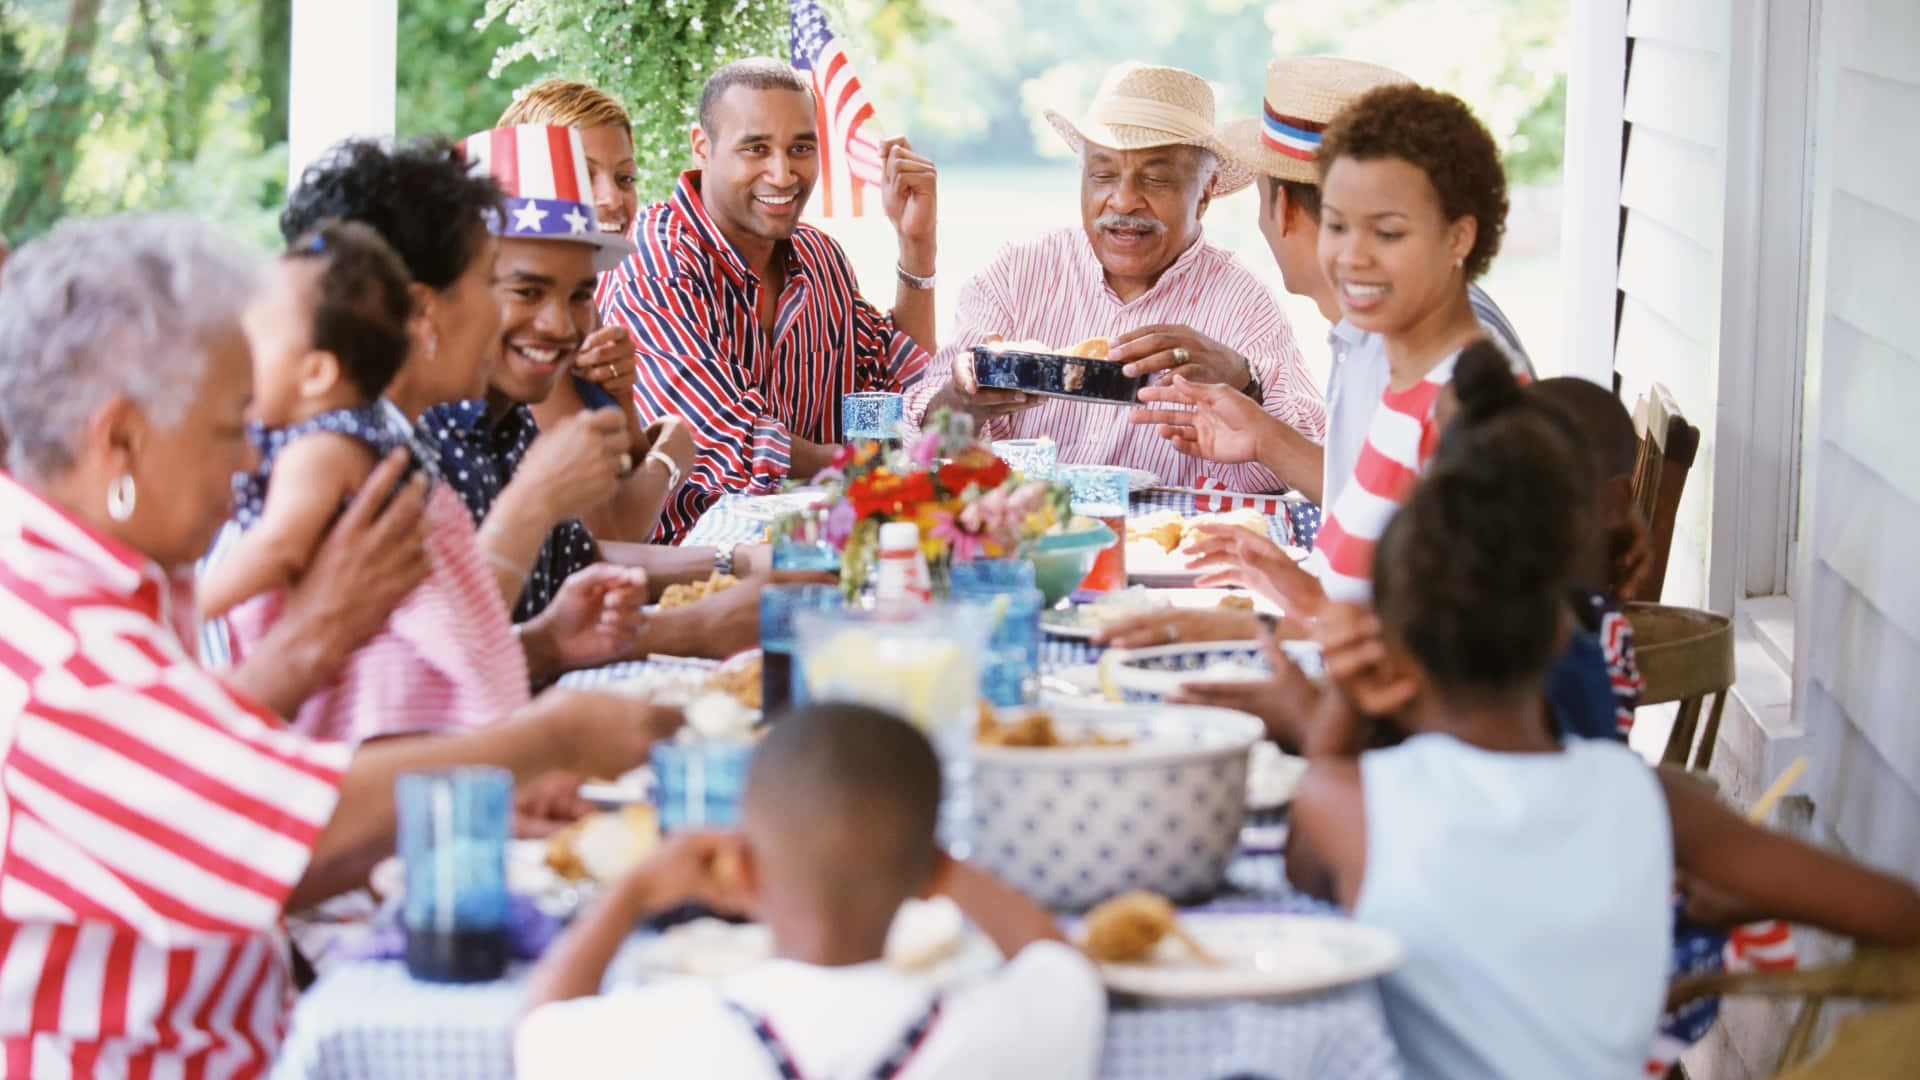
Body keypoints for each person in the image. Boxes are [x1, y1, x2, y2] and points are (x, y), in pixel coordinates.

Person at [0, 214, 678, 1074]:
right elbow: (281, 821)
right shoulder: (56, 656)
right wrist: (548, 741)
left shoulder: (119, 576)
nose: (251, 458)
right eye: (229, 427)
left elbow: (244, 847)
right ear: (120, 438)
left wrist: (447, 811)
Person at [1282, 362, 1920, 1079]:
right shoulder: (1661, 805)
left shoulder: (1347, 806)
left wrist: (1340, 699)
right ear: (1566, 630)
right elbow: (1900, 912)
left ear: (1388, 654)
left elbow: (1305, 859)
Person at [514, 703, 1106, 1079]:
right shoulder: (1007, 1034)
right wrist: (933, 865)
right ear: (927, 877)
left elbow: (538, 1028)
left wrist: (633, 891)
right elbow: (1058, 962)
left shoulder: (666, 1039)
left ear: (740, 867)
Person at [1127, 56, 1529, 509]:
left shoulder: (1417, 341)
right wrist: (1264, 435)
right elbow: (1376, 498)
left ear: (1284, 211)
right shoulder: (1375, 319)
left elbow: (1441, 549)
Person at [905, 61, 1325, 490]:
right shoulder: (1015, 275)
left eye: (1156, 178)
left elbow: (1307, 473)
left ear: (1204, 193)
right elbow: (917, 439)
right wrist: (961, 400)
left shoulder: (1244, 304)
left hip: (1166, 547)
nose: (1123, 201)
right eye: (1103, 175)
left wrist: (1247, 384)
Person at [1182, 83, 1514, 618]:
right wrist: (1294, 588)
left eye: (1388, 231)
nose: (1351, 257)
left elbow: (1449, 648)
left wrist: (1225, 633)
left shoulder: (1462, 394)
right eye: (1337, 224)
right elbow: (1369, 566)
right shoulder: (1392, 357)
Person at [599, 57, 939, 543]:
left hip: (816, 554)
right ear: (703, 148)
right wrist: (863, 468)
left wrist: (917, 248)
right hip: (681, 576)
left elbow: (894, 386)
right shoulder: (656, 256)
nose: (782, 174)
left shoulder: (821, 257)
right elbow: (722, 441)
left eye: (800, 148)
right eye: (755, 149)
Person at [496, 82, 700, 546]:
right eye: (584, 176)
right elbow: (612, 531)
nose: (612, 198)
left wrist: (624, 396)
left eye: (624, 177)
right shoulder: (533, 332)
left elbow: (624, 465)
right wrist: (673, 446)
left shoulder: (588, 305)